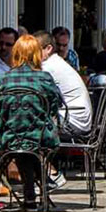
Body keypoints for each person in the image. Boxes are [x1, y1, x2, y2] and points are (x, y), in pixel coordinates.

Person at [0, 35, 62, 209]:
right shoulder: (44, 78)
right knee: (30, 144)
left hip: (9, 138)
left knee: (21, 143)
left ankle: (32, 194)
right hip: (40, 138)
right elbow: (54, 107)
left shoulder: (3, 79)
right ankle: (42, 183)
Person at [37, 31, 92, 191]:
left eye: (35, 50)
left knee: (27, 129)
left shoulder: (48, 67)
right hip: (75, 116)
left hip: (73, 120)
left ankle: (50, 175)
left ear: (47, 49)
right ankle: (40, 176)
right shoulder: (56, 63)